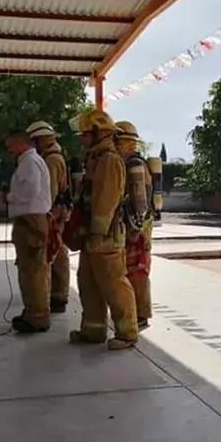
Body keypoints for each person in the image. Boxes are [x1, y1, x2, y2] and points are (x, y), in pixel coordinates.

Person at [67, 110, 138, 350]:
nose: (81, 138)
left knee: (113, 283)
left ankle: (127, 333)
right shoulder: (95, 157)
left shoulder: (108, 159)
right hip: (92, 233)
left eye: (85, 133)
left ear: (99, 133)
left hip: (105, 235)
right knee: (87, 281)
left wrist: (97, 231)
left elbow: (105, 199)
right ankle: (93, 330)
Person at [4, 130, 53, 334]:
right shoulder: (30, 160)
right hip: (30, 219)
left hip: (31, 219)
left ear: (19, 142)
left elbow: (30, 190)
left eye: (10, 144)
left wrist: (10, 197)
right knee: (28, 268)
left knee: (33, 270)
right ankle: (32, 311)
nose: (8, 149)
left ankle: (38, 315)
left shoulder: (30, 162)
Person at [26, 121, 71, 314]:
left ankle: (58, 296)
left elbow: (50, 190)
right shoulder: (53, 156)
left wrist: (44, 214)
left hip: (54, 214)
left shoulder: (52, 159)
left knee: (55, 253)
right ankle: (57, 295)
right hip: (58, 212)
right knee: (57, 252)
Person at [114, 121, 155, 329]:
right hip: (135, 224)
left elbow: (139, 200)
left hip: (137, 226)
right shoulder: (129, 162)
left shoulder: (134, 164)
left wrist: (136, 228)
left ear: (126, 143)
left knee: (137, 271)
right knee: (134, 270)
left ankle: (140, 314)